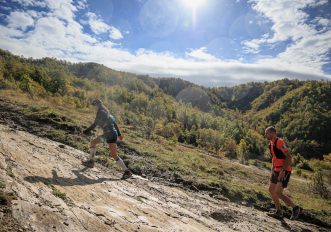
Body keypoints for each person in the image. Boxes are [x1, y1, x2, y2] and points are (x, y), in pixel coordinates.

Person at [81, 98, 132, 179]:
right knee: (114, 155)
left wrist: (84, 132)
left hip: (108, 134)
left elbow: (94, 125)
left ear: (96, 105)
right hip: (113, 134)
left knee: (93, 143)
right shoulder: (107, 112)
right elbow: (114, 124)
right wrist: (119, 134)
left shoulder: (100, 112)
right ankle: (127, 171)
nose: (93, 107)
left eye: (93, 105)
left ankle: (91, 161)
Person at [264, 126, 301, 220]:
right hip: (276, 170)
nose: (265, 135)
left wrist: (282, 171)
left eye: (267, 133)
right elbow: (274, 157)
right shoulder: (270, 144)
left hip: (284, 170)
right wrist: (272, 169)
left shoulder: (280, 142)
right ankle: (279, 212)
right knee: (271, 190)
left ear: (273, 133)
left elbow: (289, 156)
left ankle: (295, 208)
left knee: (278, 192)